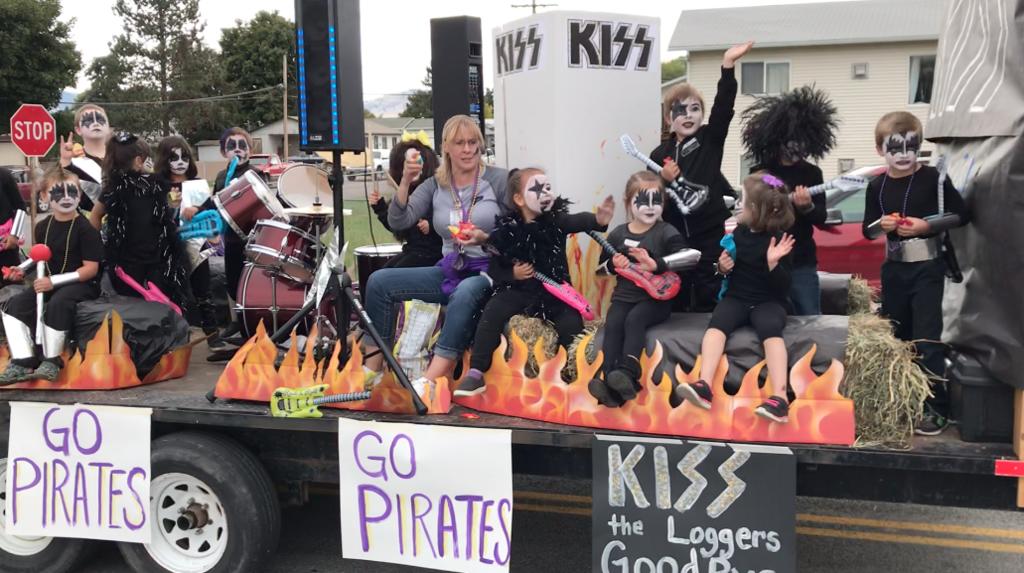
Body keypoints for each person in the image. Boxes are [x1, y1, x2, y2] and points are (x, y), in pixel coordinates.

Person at [362, 115, 509, 399]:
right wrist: (405, 182)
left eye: (473, 142)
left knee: (465, 292)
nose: (467, 149)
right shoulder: (434, 184)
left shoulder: (498, 179)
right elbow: (399, 220)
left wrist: (486, 238)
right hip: (450, 269)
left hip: (489, 270)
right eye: (460, 143)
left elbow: (521, 227)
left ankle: (430, 380)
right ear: (446, 148)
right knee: (379, 282)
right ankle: (373, 369)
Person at [455, 168, 615, 397]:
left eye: (548, 188)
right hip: (518, 290)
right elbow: (495, 267)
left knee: (571, 322)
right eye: (538, 189)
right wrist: (513, 273)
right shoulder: (507, 229)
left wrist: (597, 220)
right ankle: (476, 372)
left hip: (554, 292)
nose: (546, 193)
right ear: (519, 199)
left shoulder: (556, 221)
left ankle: (578, 376)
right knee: (493, 310)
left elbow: (575, 221)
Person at [862, 111, 968, 436]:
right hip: (894, 270)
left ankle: (937, 408)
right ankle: (904, 403)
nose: (904, 154)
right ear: (880, 150)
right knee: (898, 337)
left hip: (928, 268)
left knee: (926, 339)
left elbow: (962, 214)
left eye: (911, 146)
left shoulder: (934, 178)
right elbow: (868, 230)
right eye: (895, 148)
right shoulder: (876, 185)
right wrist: (883, 225)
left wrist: (927, 225)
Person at [675, 172, 796, 423]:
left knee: (771, 330)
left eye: (743, 199)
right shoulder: (739, 233)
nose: (737, 203)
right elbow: (725, 271)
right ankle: (704, 385)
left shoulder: (779, 240)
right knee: (717, 324)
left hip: (768, 301)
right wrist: (722, 267)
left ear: (757, 209)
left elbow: (784, 287)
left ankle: (780, 397)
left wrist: (773, 264)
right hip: (737, 297)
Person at [650, 41, 753, 312]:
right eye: (679, 110)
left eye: (694, 109)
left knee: (711, 289)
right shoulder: (658, 153)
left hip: (709, 233)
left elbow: (724, 107)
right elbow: (650, 198)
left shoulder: (710, 139)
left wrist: (728, 66)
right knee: (678, 293)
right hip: (674, 235)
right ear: (668, 118)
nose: (688, 115)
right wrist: (662, 178)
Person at [588, 171, 698, 407]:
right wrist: (612, 265)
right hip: (623, 297)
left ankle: (629, 372)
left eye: (656, 200)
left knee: (635, 319)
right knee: (613, 323)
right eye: (642, 201)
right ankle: (608, 380)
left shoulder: (666, 231)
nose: (650, 206)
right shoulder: (618, 233)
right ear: (629, 202)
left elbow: (691, 257)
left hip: (655, 301)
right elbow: (599, 272)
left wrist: (657, 264)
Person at [741, 86, 839, 315]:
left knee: (809, 317)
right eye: (792, 140)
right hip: (768, 259)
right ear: (777, 138)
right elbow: (754, 213)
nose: (798, 147)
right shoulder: (762, 172)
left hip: (802, 262)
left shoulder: (812, 173)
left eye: (803, 140)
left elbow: (821, 217)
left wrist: (807, 207)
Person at [0, 168, 103, 383]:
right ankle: (22, 360)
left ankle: (52, 360)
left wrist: (53, 282)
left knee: (58, 302)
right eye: (58, 192)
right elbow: (39, 256)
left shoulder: (85, 229)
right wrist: (22, 269)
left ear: (80, 195)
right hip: (48, 282)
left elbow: (91, 269)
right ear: (44, 196)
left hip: (81, 284)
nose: (66, 198)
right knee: (13, 306)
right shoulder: (42, 227)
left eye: (72, 192)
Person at [89, 132, 186, 309]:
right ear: (139, 161)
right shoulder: (150, 185)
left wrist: (97, 247)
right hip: (147, 259)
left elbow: (95, 216)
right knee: (158, 305)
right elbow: (167, 214)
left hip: (136, 259)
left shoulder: (114, 188)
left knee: (133, 306)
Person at [155, 135, 220, 343]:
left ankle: (212, 334)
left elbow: (212, 213)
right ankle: (177, 337)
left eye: (184, 157)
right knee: (175, 291)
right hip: (170, 246)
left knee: (203, 290)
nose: (180, 162)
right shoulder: (158, 186)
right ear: (164, 159)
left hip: (198, 244)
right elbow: (156, 218)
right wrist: (173, 209)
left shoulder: (198, 184)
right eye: (174, 158)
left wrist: (198, 209)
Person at [205, 127, 254, 345]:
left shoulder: (255, 173)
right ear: (224, 152)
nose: (237, 150)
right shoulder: (221, 176)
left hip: (252, 238)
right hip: (231, 238)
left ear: (250, 150)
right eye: (232, 146)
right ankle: (235, 322)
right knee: (232, 281)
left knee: (249, 283)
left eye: (242, 145)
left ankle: (250, 323)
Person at [368, 137, 443, 269]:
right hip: (413, 251)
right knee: (379, 275)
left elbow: (450, 218)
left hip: (434, 255)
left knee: (384, 278)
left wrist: (431, 225)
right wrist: (380, 208)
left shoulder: (436, 190)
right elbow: (398, 226)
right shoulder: (404, 193)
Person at [59, 103, 113, 211]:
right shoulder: (73, 162)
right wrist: (64, 161)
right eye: (88, 120)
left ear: (108, 127)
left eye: (100, 119)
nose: (96, 123)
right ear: (78, 130)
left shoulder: (124, 156)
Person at [0, 166, 28, 275]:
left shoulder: (4, 175)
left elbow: (20, 207)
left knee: (11, 281)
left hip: (5, 246)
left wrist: (14, 235)